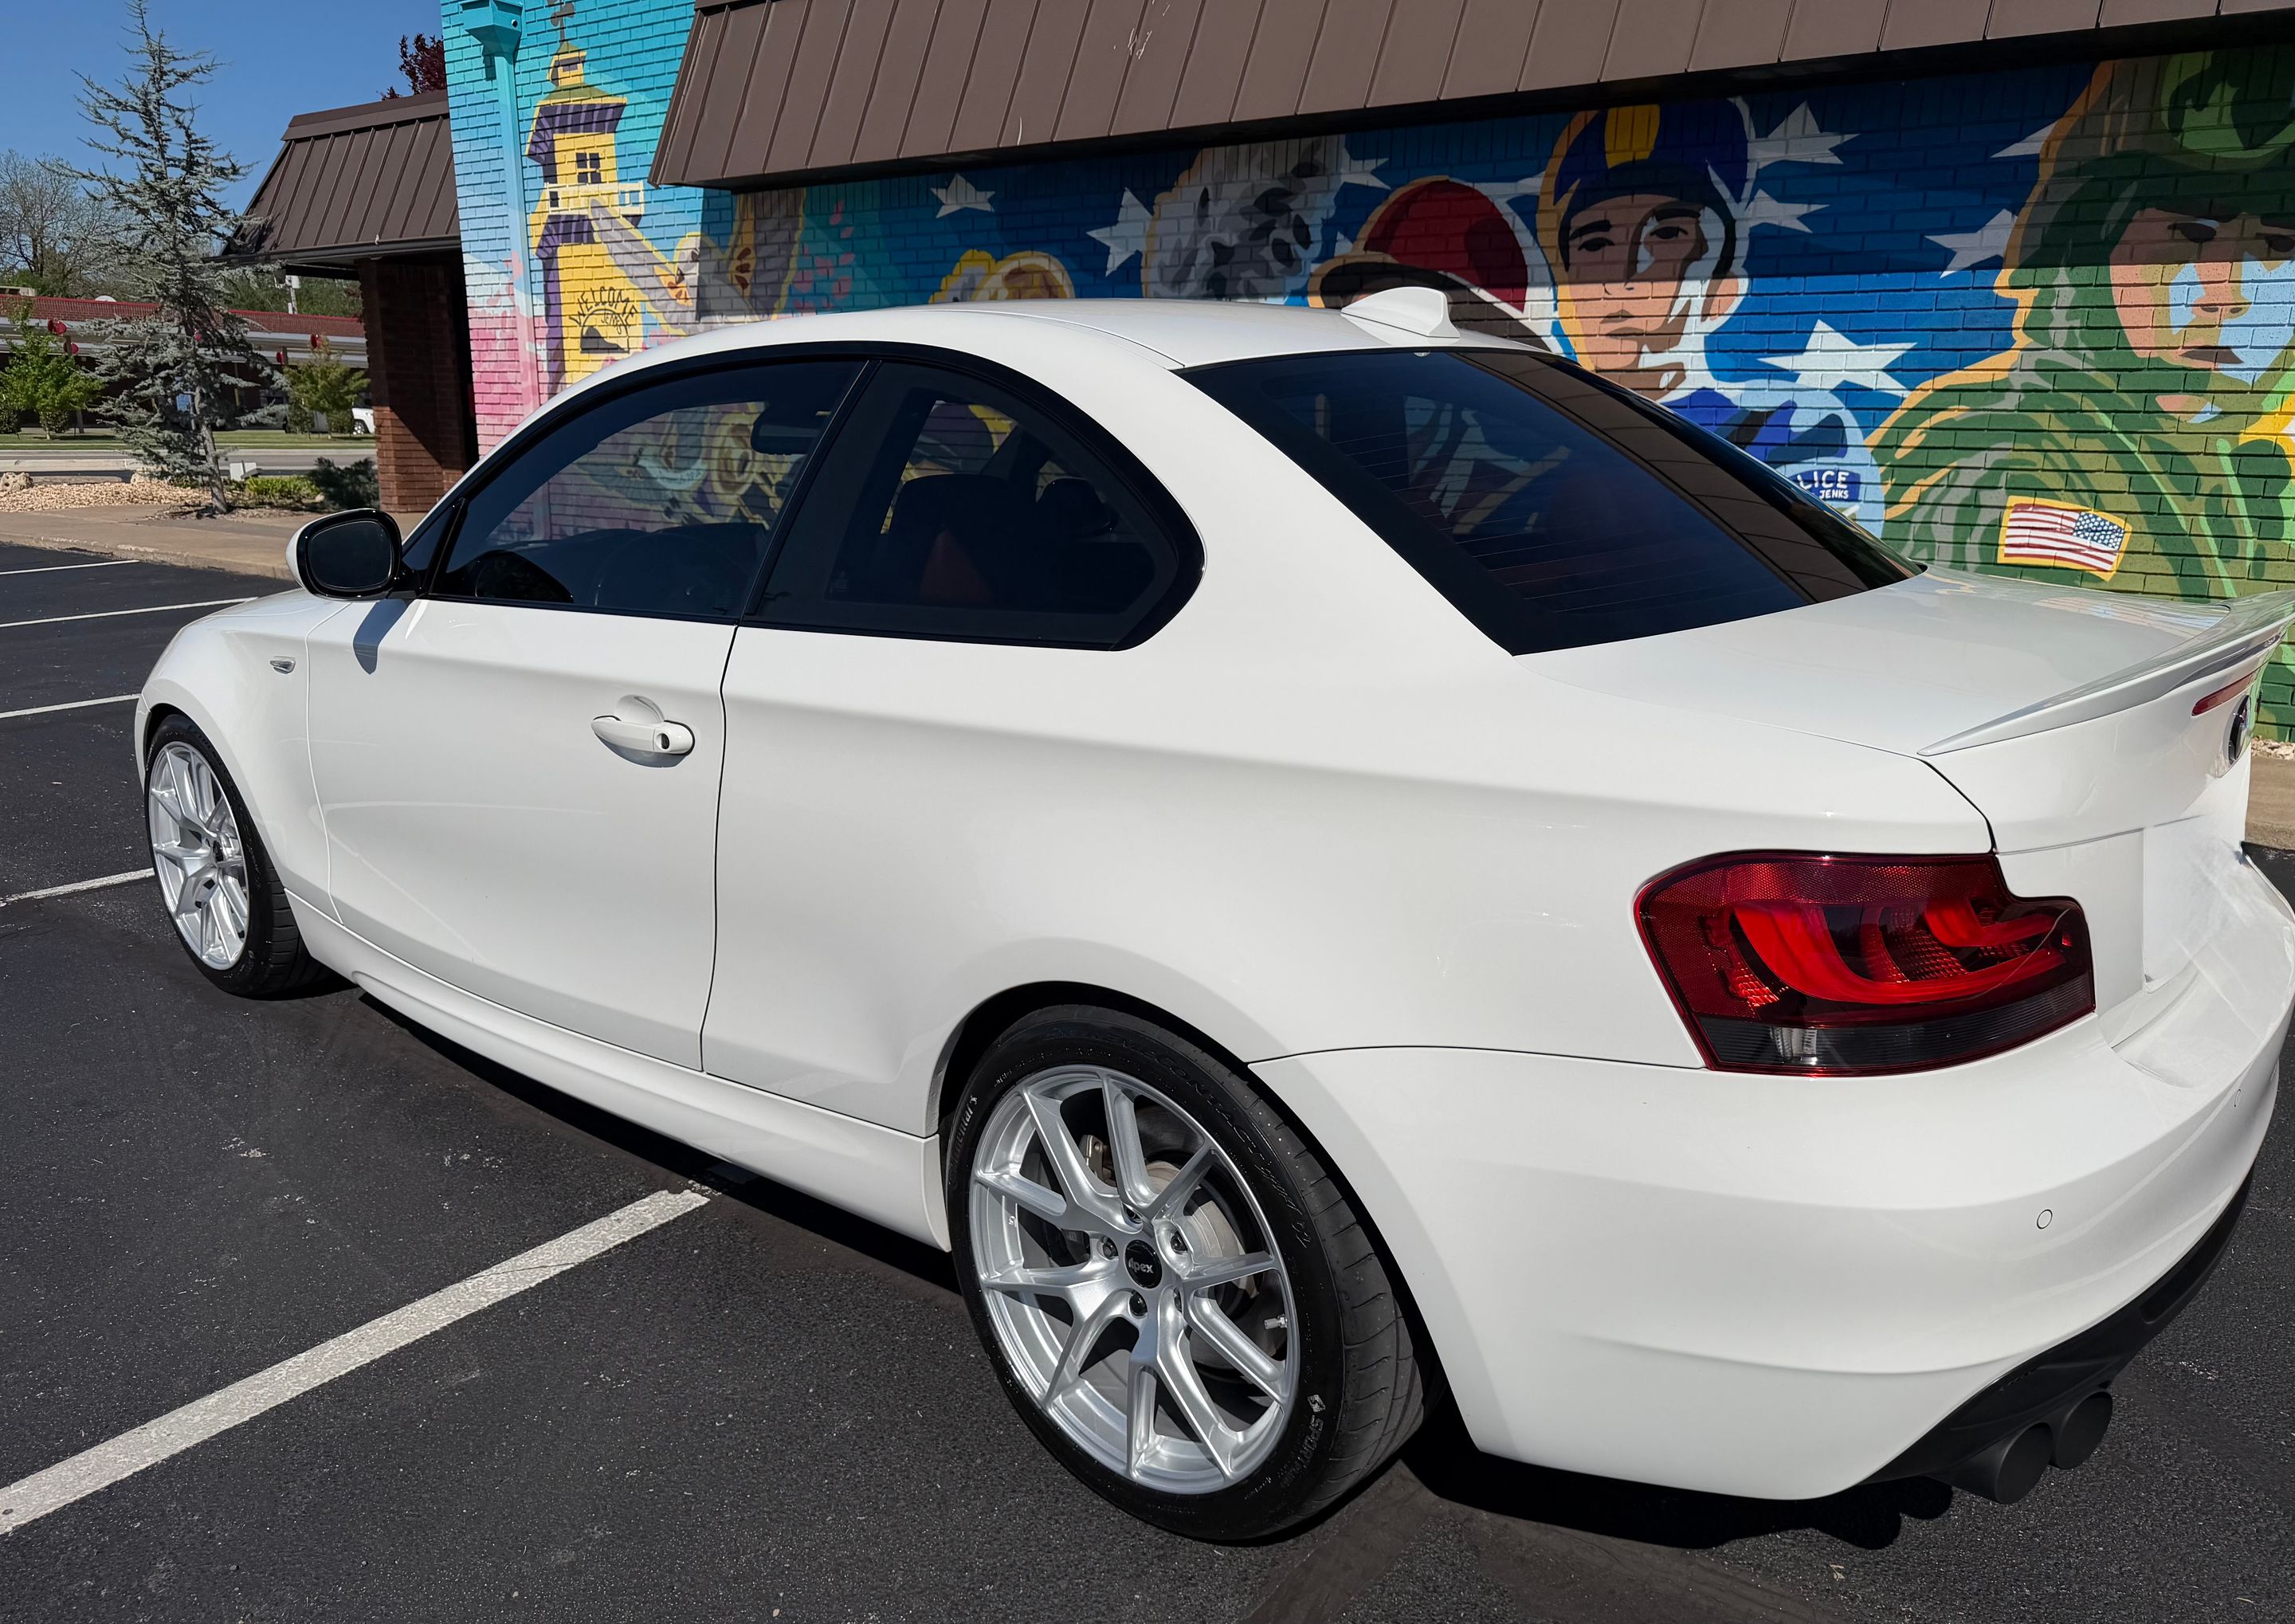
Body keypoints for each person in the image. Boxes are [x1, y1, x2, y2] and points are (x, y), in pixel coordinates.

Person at [1874, 52, 2295, 610]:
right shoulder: (2014, 454)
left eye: (2277, 245)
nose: (2227, 295)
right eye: (2191, 234)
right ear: (2085, 248)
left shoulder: (2232, 470)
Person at [1538, 101, 1884, 529]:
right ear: (1563, 301)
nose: (1622, 278)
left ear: (1722, 294)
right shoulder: (1541, 438)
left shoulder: (1795, 423)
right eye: (1595, 244)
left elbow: (1816, 558)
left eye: (1666, 236)